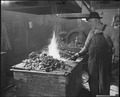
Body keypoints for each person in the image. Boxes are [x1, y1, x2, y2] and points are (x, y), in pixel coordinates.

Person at [70, 12, 116, 97]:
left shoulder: (109, 30)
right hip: (92, 62)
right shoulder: (91, 32)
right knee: (93, 83)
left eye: (90, 21)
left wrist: (116, 58)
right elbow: (86, 47)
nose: (89, 24)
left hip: (104, 63)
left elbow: (116, 45)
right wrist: (78, 54)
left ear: (96, 20)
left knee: (104, 83)